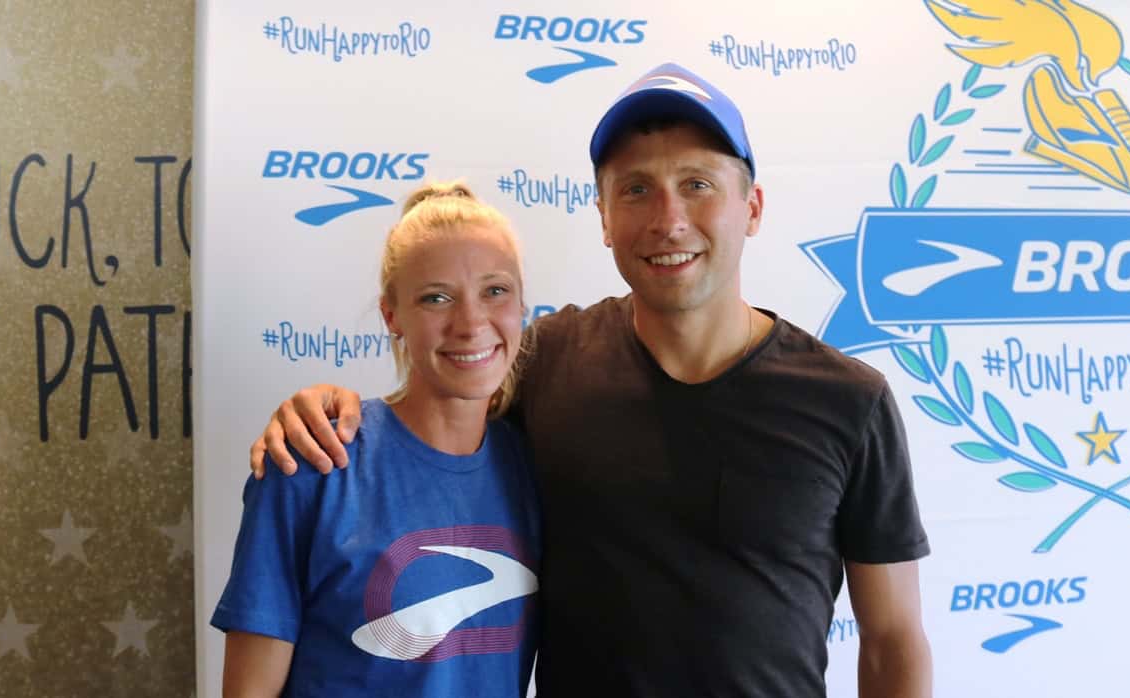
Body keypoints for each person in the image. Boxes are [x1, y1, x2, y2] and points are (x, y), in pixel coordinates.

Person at [251, 64, 933, 696]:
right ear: (604, 219)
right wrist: (323, 408)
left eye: (697, 183)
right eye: (636, 189)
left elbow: (893, 639)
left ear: (751, 207)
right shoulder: (547, 361)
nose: (668, 219)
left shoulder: (849, 401)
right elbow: (429, 429)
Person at [213, 182, 542, 697]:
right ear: (392, 316)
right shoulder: (317, 459)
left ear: (523, 303)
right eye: (436, 298)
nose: (472, 322)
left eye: (495, 291)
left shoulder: (536, 466)